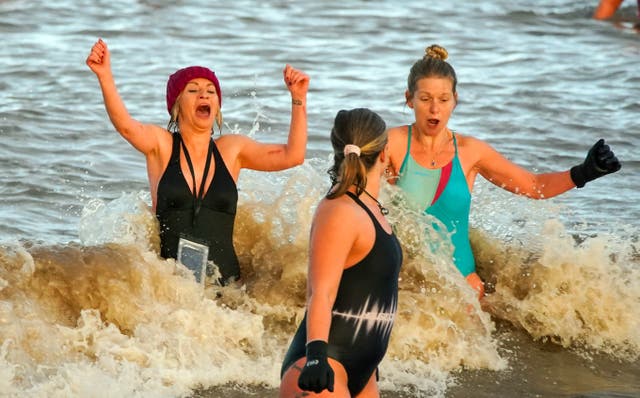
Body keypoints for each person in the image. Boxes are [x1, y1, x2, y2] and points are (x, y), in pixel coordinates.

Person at [386, 44, 621, 299]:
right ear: (409, 99)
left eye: (443, 99)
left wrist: (584, 172)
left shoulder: (470, 151)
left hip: (463, 284)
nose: (435, 109)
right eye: (425, 99)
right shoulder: (391, 144)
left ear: (455, 100)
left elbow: (533, 186)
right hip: (405, 279)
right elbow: (357, 196)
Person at [86, 38, 309, 285]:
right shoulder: (162, 145)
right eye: (192, 90)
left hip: (227, 289)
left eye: (210, 91)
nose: (204, 93)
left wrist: (298, 98)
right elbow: (127, 127)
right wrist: (104, 76)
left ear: (217, 106)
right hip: (172, 289)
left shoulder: (231, 150)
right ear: (176, 105)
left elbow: (293, 156)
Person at [279, 109, 403, 397]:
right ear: (385, 153)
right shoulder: (339, 210)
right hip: (325, 366)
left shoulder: (369, 206)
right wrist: (316, 356)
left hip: (362, 370)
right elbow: (320, 292)